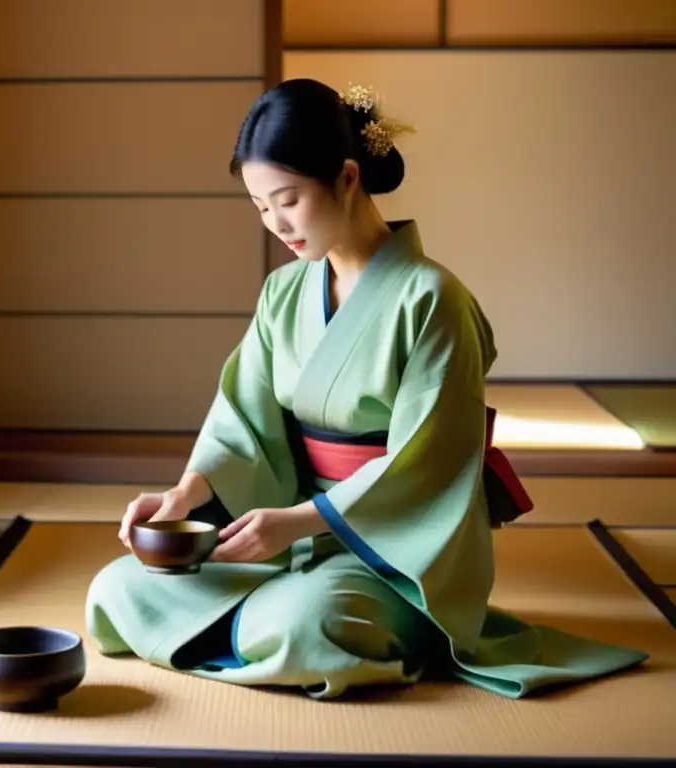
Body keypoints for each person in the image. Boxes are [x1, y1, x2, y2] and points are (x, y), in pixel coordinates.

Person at [84, 78, 648, 700]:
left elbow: (427, 464)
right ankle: (261, 627)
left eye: (289, 200)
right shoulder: (284, 293)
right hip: (286, 533)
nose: (276, 224)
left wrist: (301, 522)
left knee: (311, 624)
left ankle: (330, 628)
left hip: (393, 553)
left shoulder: (433, 300)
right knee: (117, 589)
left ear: (348, 178)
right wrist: (185, 495)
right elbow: (242, 419)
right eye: (260, 207)